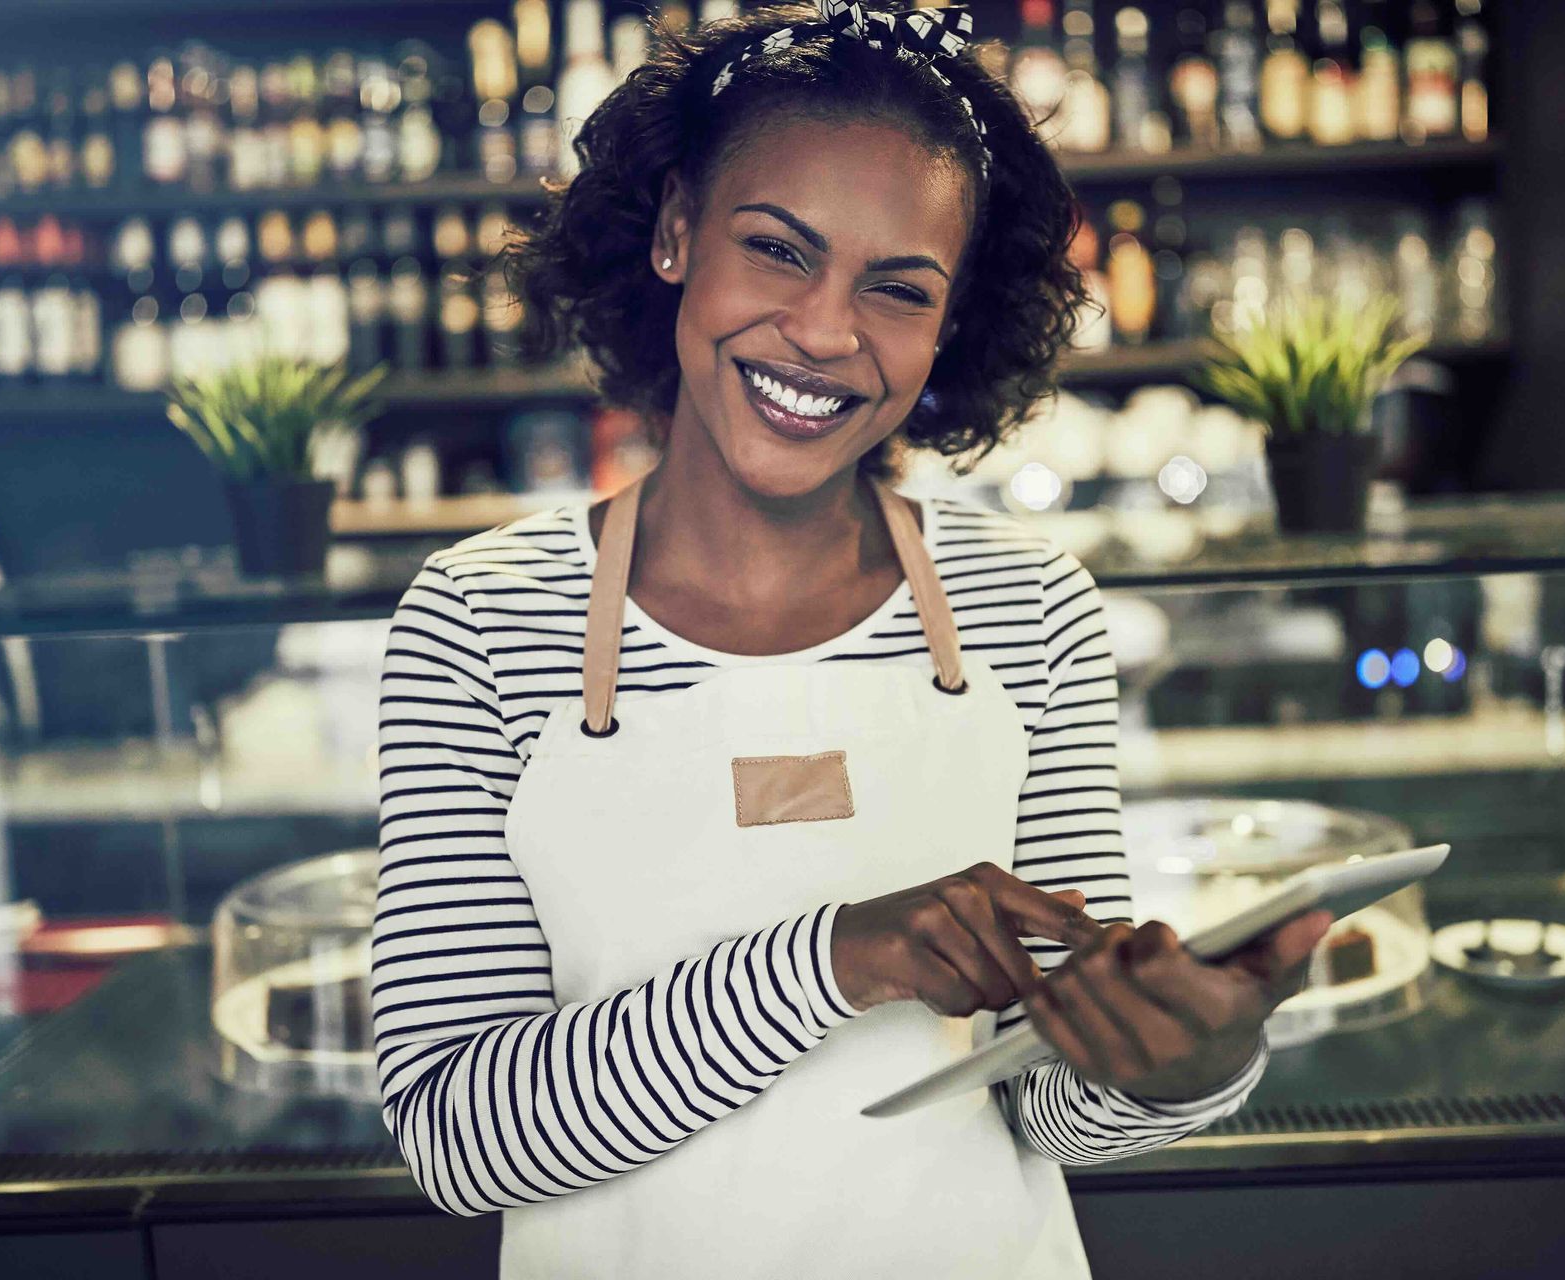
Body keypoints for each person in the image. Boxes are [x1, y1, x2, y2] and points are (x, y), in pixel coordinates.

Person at [370, 4, 1332, 1276]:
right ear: (674, 233)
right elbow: (457, 1133)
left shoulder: (1026, 602)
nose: (826, 332)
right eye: (778, 250)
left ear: (947, 323)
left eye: (897, 287)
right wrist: (834, 957)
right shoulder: (480, 617)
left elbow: (1042, 1104)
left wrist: (1184, 1062)